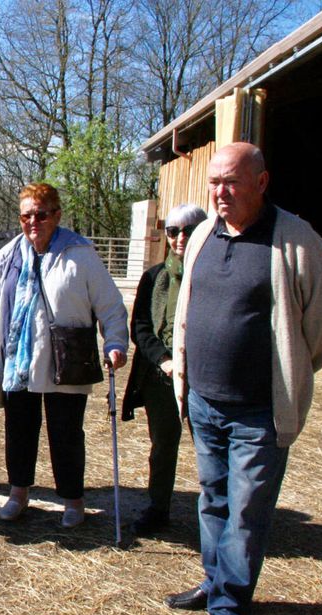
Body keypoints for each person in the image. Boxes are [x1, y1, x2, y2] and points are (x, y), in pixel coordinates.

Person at [165, 142, 322, 615]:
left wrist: (292, 365)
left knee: (247, 514)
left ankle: (230, 611)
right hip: (203, 400)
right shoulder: (202, 233)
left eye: (232, 182)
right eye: (215, 183)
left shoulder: (293, 238)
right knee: (213, 499)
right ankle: (214, 582)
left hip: (258, 411)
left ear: (261, 182)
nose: (221, 193)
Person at [0, 182, 128, 527]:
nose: (34, 221)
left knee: (66, 432)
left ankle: (73, 500)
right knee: (19, 429)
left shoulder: (80, 253)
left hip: (65, 359)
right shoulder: (10, 254)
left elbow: (109, 304)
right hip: (19, 360)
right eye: (26, 215)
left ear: (57, 215)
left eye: (41, 214)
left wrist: (115, 342)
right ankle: (18, 493)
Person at [122, 203, 207, 536]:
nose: (180, 238)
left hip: (204, 375)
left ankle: (219, 513)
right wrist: (163, 359)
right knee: (163, 445)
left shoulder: (214, 275)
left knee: (211, 448)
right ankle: (158, 507)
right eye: (174, 231)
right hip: (163, 375)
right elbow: (140, 326)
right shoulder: (154, 277)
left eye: (189, 230)